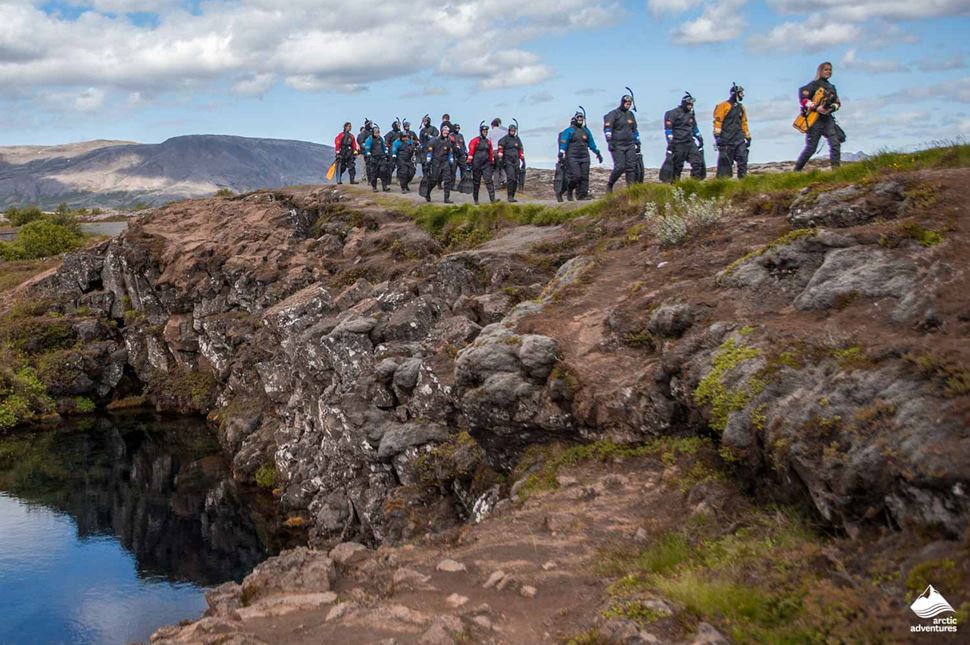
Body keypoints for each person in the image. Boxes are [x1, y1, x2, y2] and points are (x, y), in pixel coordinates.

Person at [793, 61, 843, 171]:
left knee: (835, 144)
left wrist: (831, 108)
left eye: (830, 70)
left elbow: (838, 103)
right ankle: (796, 171)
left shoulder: (832, 87)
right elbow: (804, 100)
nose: (828, 71)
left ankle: (836, 171)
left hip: (828, 120)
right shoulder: (813, 85)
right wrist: (816, 108)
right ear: (820, 71)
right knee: (811, 148)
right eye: (826, 69)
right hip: (814, 120)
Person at [659, 92, 706, 183]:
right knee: (678, 166)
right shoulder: (673, 113)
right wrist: (670, 142)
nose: (690, 106)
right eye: (689, 104)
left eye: (691, 104)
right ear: (684, 103)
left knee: (697, 162)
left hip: (690, 142)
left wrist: (699, 137)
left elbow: (694, 128)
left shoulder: (691, 114)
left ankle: (694, 184)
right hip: (678, 143)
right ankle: (675, 185)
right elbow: (668, 129)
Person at [557, 110, 603, 201]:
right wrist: (561, 152)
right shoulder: (569, 131)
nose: (580, 120)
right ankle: (569, 189)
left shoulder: (586, 131)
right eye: (578, 118)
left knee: (585, 176)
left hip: (585, 156)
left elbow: (592, 144)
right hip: (572, 156)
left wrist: (598, 153)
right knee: (576, 176)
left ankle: (582, 195)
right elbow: (564, 142)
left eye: (582, 118)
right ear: (575, 119)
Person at [603, 94, 641, 192]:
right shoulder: (613, 114)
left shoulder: (631, 115)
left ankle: (631, 190)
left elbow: (634, 130)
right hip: (617, 144)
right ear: (622, 103)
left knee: (631, 167)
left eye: (629, 104)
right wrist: (609, 141)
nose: (628, 105)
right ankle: (610, 184)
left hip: (630, 144)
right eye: (626, 103)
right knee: (620, 167)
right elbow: (607, 129)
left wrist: (637, 141)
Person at [713, 84, 751, 179]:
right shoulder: (723, 106)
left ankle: (743, 183)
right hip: (726, 140)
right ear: (735, 93)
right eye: (740, 93)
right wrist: (717, 137)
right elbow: (718, 121)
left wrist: (748, 136)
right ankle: (723, 185)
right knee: (725, 165)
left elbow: (744, 122)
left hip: (739, 139)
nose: (742, 95)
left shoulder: (741, 107)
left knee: (743, 161)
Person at [423, 125, 458, 203]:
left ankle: (446, 198)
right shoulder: (434, 140)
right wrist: (428, 162)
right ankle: (427, 193)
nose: (446, 133)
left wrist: (451, 161)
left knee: (447, 180)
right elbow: (429, 152)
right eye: (444, 131)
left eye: (447, 132)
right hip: (436, 162)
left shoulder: (449, 141)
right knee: (434, 180)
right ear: (441, 131)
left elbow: (450, 152)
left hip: (445, 162)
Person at [466, 122, 498, 205]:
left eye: (486, 131)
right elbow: (471, 151)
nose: (485, 133)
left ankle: (493, 200)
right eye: (484, 131)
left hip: (486, 164)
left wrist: (492, 161)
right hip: (476, 164)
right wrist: (469, 161)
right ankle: (476, 200)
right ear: (481, 131)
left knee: (489, 181)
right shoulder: (475, 141)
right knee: (476, 182)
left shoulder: (488, 142)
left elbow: (490, 152)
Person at [497, 122, 525, 203]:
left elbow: (520, 149)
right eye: (511, 130)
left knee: (516, 179)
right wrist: (500, 158)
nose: (513, 132)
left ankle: (512, 195)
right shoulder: (504, 139)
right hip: (508, 160)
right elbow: (500, 148)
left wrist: (523, 159)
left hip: (516, 161)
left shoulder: (517, 139)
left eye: (514, 131)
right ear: (509, 131)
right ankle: (509, 196)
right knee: (511, 178)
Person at [391, 121, 418, 192]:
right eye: (404, 137)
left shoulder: (409, 141)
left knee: (412, 171)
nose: (405, 138)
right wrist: (394, 157)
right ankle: (403, 187)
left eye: (406, 137)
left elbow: (413, 147)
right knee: (403, 172)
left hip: (409, 159)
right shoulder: (397, 143)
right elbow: (394, 150)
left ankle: (406, 183)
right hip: (401, 159)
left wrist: (415, 148)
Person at [362, 125, 390, 192]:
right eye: (376, 133)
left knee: (383, 171)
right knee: (374, 174)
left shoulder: (380, 139)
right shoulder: (369, 140)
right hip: (373, 158)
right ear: (373, 133)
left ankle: (384, 186)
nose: (377, 134)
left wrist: (386, 152)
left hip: (381, 157)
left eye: (378, 132)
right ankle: (374, 187)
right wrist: (368, 154)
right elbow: (367, 148)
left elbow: (384, 146)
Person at [488, 118, 507, 188]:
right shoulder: (503, 132)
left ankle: (496, 184)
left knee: (496, 168)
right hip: (502, 151)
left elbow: (488, 142)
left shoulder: (490, 132)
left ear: (492, 125)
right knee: (502, 166)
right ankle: (504, 180)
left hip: (494, 151)